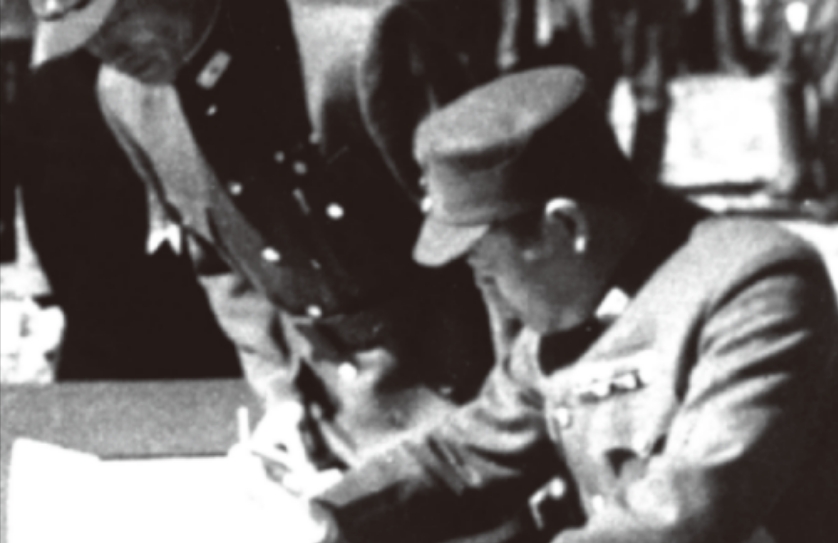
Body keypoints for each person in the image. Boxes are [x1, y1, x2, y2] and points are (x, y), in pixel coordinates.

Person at [265, 66, 837, 543]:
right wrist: (330, 517)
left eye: (487, 268)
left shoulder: (755, 285)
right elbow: (470, 456)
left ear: (565, 227)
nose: (488, 292)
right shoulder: (575, 300)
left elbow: (685, 514)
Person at [27, 0, 496, 500]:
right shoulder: (128, 98)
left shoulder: (357, 46)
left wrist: (516, 425)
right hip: (325, 435)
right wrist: (282, 396)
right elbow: (222, 263)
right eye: (87, 37)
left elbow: (493, 237)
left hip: (462, 416)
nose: (109, 50)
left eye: (117, 19)